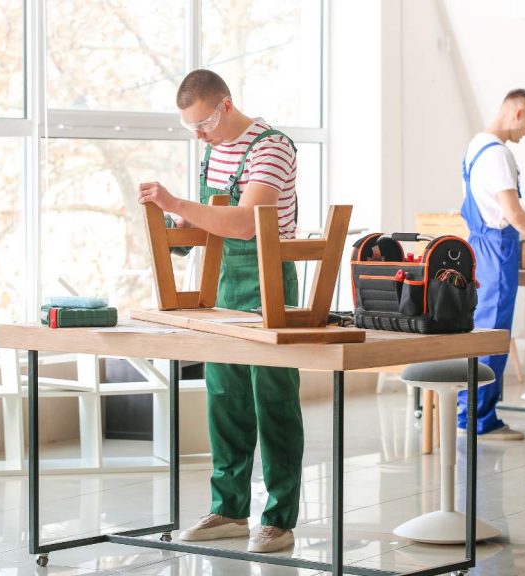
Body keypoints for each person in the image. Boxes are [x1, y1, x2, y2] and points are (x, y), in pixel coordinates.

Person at [138, 69, 302, 553]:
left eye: (204, 123)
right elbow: (210, 219)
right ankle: (229, 509)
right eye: (191, 128)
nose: (200, 135)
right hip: (222, 282)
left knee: (271, 399)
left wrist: (177, 201)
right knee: (224, 396)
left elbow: (246, 223)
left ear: (226, 105)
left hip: (270, 283)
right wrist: (176, 225)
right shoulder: (213, 149)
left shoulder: (272, 147)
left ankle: (279, 518)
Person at [457, 89, 525, 440]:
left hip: (478, 245)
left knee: (478, 333)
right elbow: (513, 213)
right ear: (518, 112)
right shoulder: (499, 155)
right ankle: (478, 420)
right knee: (492, 336)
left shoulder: (476, 145)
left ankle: (467, 414)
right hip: (497, 250)